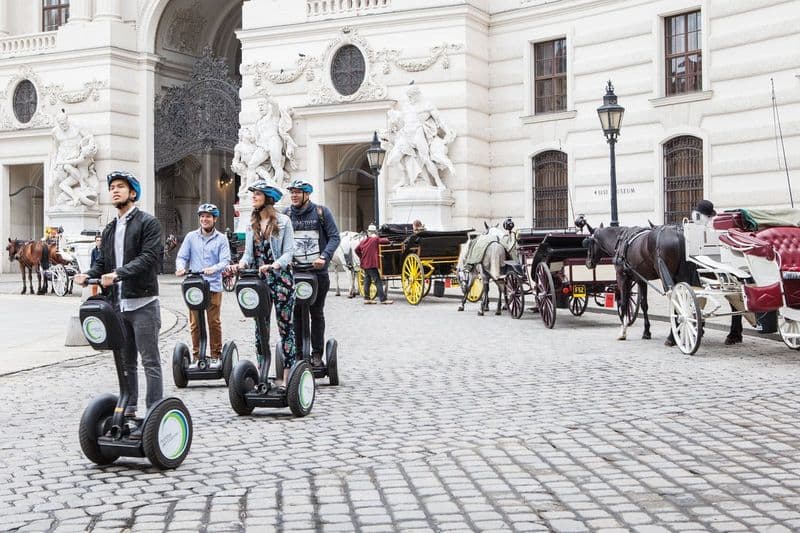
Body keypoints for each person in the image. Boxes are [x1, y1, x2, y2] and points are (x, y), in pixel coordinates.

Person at [74, 171, 163, 432]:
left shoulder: (148, 223)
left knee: (150, 361)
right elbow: (102, 262)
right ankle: (130, 409)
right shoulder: (111, 228)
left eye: (121, 187)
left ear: (132, 193)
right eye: (112, 187)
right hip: (119, 305)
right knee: (127, 362)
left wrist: (118, 274)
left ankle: (155, 411)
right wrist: (88, 275)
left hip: (143, 302)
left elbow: (149, 258)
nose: (115, 191)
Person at [234, 179, 296, 392]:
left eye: (257, 194)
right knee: (260, 329)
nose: (253, 197)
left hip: (281, 281)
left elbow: (289, 251)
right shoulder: (251, 224)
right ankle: (262, 374)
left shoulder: (284, 221)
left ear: (268, 198)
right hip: (259, 283)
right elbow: (249, 254)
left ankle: (288, 378)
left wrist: (275, 265)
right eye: (253, 194)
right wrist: (239, 265)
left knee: (285, 327)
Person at [285, 179, 341, 367]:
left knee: (316, 312)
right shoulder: (285, 215)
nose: (293, 195)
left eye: (297, 192)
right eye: (292, 192)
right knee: (297, 313)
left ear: (306, 195)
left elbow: (334, 237)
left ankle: (317, 353)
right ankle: (300, 353)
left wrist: (324, 257)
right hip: (295, 272)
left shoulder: (321, 212)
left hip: (317, 273)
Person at [175, 203, 231, 363]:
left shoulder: (221, 239)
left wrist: (214, 268)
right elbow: (182, 257)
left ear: (214, 219)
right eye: (202, 216)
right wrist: (180, 268)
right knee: (195, 323)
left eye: (208, 216)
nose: (205, 219)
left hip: (213, 286)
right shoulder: (191, 237)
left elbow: (225, 260)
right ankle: (197, 355)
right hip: (194, 287)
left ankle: (216, 355)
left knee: (213, 322)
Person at [356, 224, 391, 304]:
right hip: (371, 264)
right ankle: (383, 299)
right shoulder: (375, 239)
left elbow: (356, 250)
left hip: (364, 264)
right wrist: (388, 239)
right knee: (378, 281)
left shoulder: (363, 241)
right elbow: (385, 241)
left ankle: (367, 298)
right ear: (375, 232)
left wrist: (361, 257)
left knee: (367, 280)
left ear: (368, 232)